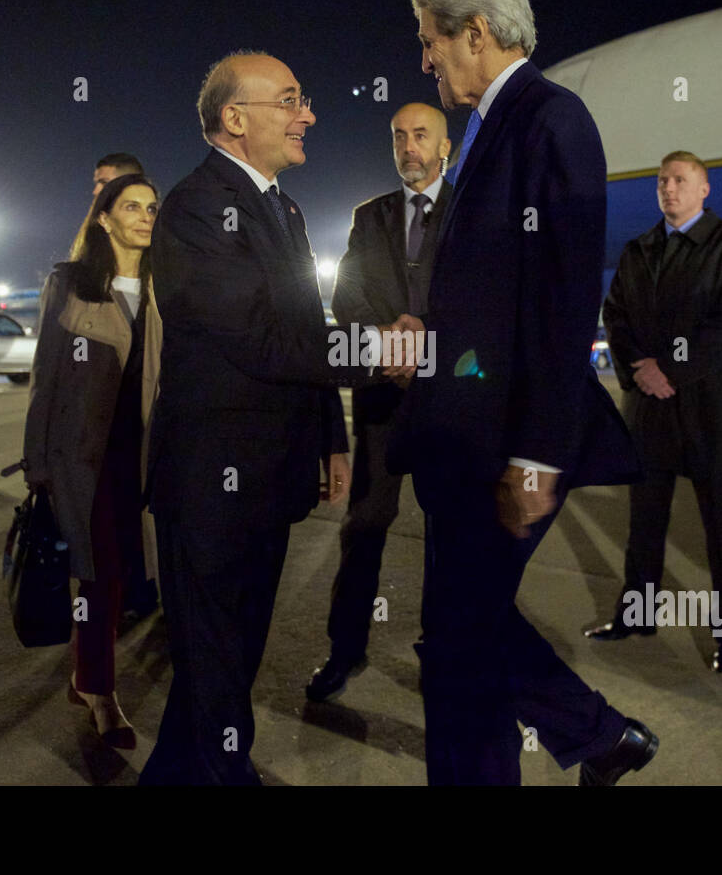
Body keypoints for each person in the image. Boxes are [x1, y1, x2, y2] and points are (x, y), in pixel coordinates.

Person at [389, 0, 654, 786]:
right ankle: (598, 737)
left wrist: (537, 454)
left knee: (459, 637)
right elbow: (489, 294)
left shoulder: (552, 120)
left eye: (432, 43)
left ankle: (598, 734)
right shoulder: (489, 129)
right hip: (471, 438)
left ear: (477, 32)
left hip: (513, 445)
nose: (426, 62)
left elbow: (564, 299)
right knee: (463, 632)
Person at [140, 51, 413, 785]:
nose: (309, 116)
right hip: (211, 477)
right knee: (217, 656)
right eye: (290, 101)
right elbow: (260, 335)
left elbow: (301, 325)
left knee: (228, 651)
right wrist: (376, 346)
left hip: (266, 470)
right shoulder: (196, 207)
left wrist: (330, 435)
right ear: (235, 119)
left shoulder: (281, 208)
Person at [588, 151, 722, 675]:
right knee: (643, 528)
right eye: (662, 181)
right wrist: (639, 370)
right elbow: (615, 317)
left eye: (680, 180)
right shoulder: (638, 250)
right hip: (651, 415)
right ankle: (635, 616)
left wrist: (668, 371)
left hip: (713, 415)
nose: (669, 189)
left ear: (704, 189)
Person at [305, 102, 452, 702]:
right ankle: (346, 650)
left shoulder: (474, 212)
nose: (409, 146)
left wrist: (428, 341)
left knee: (448, 533)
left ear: (447, 149)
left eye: (421, 135)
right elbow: (348, 291)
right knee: (364, 526)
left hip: (447, 403)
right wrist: (387, 336)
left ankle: (439, 652)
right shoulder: (371, 217)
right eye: (399, 136)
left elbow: (485, 298)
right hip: (382, 399)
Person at [23, 173, 163, 748]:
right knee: (97, 574)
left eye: (152, 206)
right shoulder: (71, 282)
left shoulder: (166, 285)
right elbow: (46, 375)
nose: (145, 215)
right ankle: (101, 692)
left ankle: (85, 675)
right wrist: (37, 463)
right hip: (87, 457)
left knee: (128, 574)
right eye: (131, 206)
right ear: (103, 218)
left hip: (149, 457)